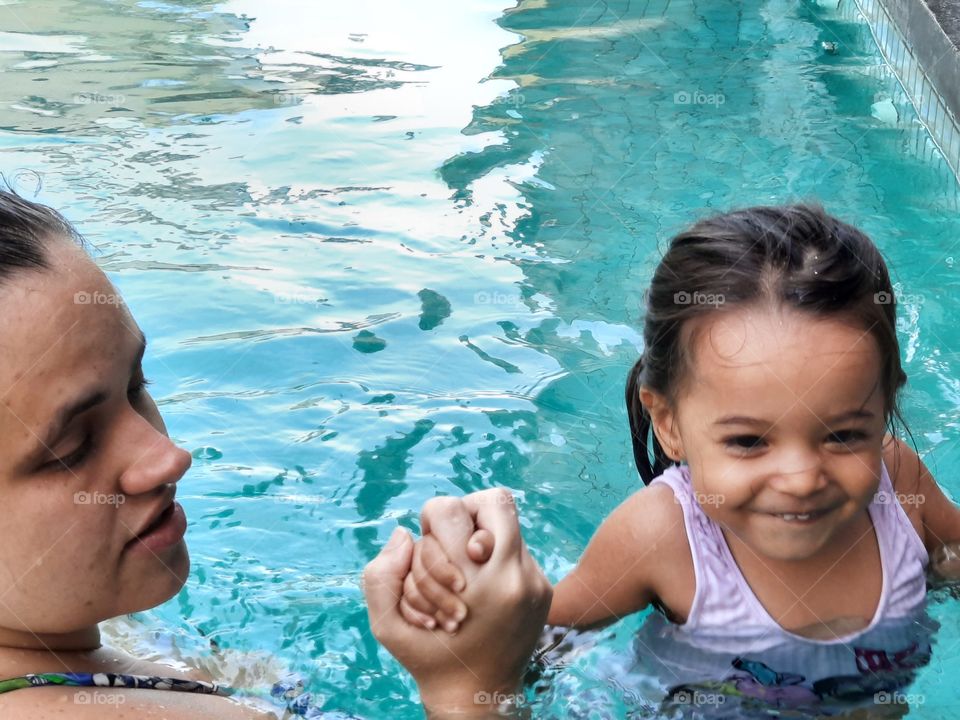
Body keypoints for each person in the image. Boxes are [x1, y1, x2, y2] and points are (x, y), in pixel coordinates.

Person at [0, 188, 551, 719]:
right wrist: (475, 689)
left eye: (137, 384)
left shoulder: (60, 628)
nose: (168, 456)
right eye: (71, 447)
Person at [402, 204, 960, 709]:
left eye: (842, 435)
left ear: (884, 407)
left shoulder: (898, 479)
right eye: (747, 441)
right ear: (668, 424)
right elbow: (535, 644)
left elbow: (952, 557)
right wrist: (467, 622)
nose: (801, 478)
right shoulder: (662, 535)